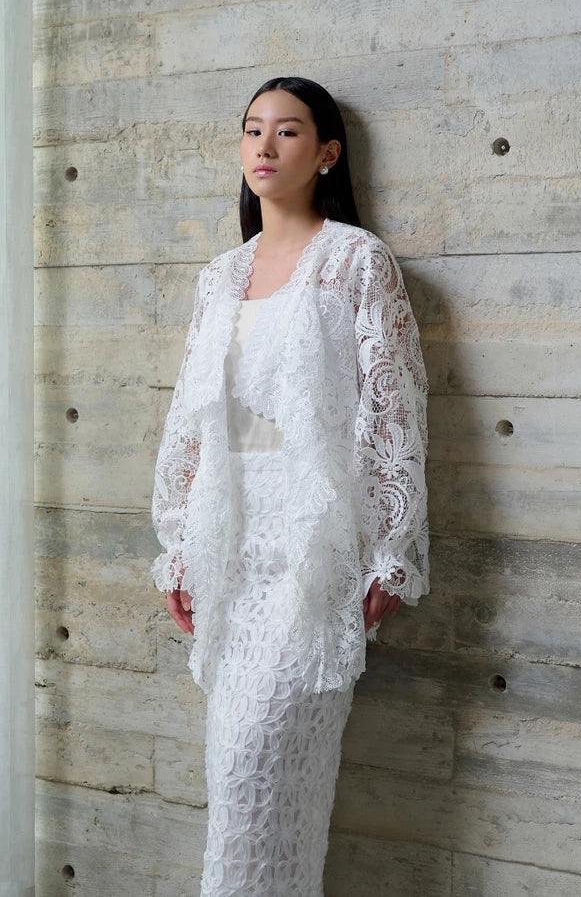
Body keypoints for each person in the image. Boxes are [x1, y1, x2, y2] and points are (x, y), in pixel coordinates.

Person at [150, 76, 429, 896]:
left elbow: (392, 408)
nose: (264, 146)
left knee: (257, 771)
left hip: (313, 554)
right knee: (237, 793)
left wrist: (391, 547)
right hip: (229, 551)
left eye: (288, 131)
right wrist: (178, 546)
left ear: (327, 153)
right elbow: (196, 420)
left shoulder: (353, 260)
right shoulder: (219, 276)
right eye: (252, 130)